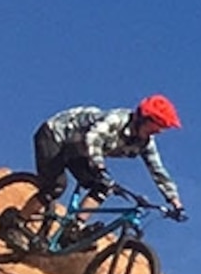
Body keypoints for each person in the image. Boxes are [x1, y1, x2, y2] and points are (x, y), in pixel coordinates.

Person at [31, 97, 186, 227]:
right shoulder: (115, 120)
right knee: (56, 187)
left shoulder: (145, 142)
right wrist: (99, 165)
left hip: (78, 150)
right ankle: (19, 220)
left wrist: (175, 202)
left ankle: (74, 227)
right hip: (55, 136)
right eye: (156, 127)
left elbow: (157, 170)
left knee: (103, 186)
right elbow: (93, 138)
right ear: (143, 119)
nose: (159, 132)